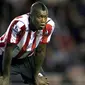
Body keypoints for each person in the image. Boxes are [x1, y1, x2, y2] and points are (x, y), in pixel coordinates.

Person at [0, 1, 55, 85]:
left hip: (27, 57)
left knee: (42, 83)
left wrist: (36, 75)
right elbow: (9, 49)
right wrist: (6, 77)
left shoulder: (49, 25)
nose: (43, 20)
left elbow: (40, 51)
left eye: (45, 17)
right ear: (31, 15)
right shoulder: (19, 24)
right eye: (40, 17)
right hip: (4, 56)